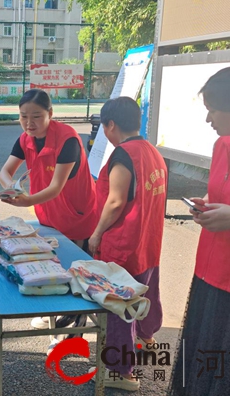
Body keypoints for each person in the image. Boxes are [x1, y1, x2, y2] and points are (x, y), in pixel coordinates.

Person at [168, 67, 230, 396]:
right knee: (204, 368)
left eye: (213, 110)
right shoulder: (222, 145)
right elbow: (227, 194)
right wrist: (210, 205)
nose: (209, 119)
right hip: (210, 275)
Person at [0, 89, 98, 332]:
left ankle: (76, 326)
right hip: (48, 213)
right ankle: (59, 315)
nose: (29, 123)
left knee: (76, 267)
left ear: (50, 114)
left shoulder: (68, 140)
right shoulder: (25, 139)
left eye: (36, 117)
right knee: (53, 263)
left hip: (76, 212)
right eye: (23, 117)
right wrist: (12, 188)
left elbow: (56, 187)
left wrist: (27, 200)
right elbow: (4, 172)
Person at [87, 97, 166, 391]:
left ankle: (121, 372)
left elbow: (116, 201)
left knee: (119, 306)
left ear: (110, 125)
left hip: (124, 243)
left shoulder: (123, 155)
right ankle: (146, 336)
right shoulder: (151, 151)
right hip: (148, 239)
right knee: (145, 292)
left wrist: (96, 234)